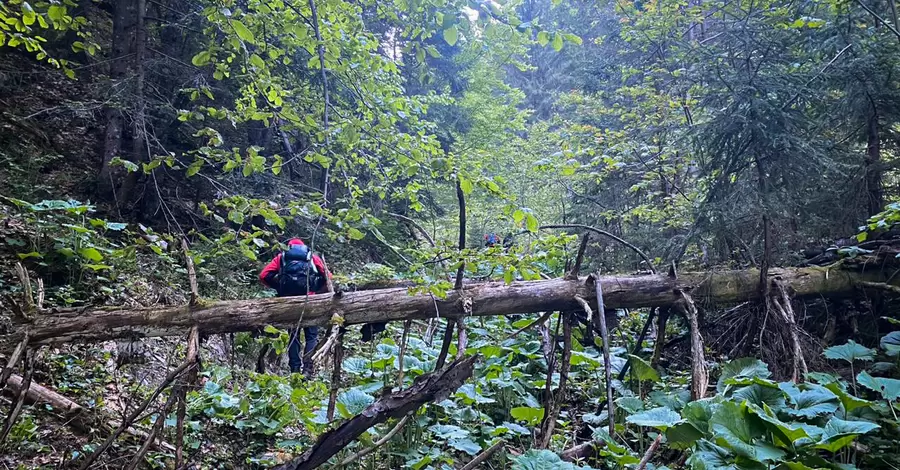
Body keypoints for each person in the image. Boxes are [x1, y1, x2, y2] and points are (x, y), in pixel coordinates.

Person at [259, 238, 331, 376]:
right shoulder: (312, 257)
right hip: (310, 300)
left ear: (289, 247)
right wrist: (316, 289)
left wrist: (278, 287)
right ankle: (308, 370)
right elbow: (328, 276)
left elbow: (264, 276)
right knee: (311, 336)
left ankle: (295, 370)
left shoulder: (282, 257)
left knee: (294, 336)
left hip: (289, 301)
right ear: (303, 247)